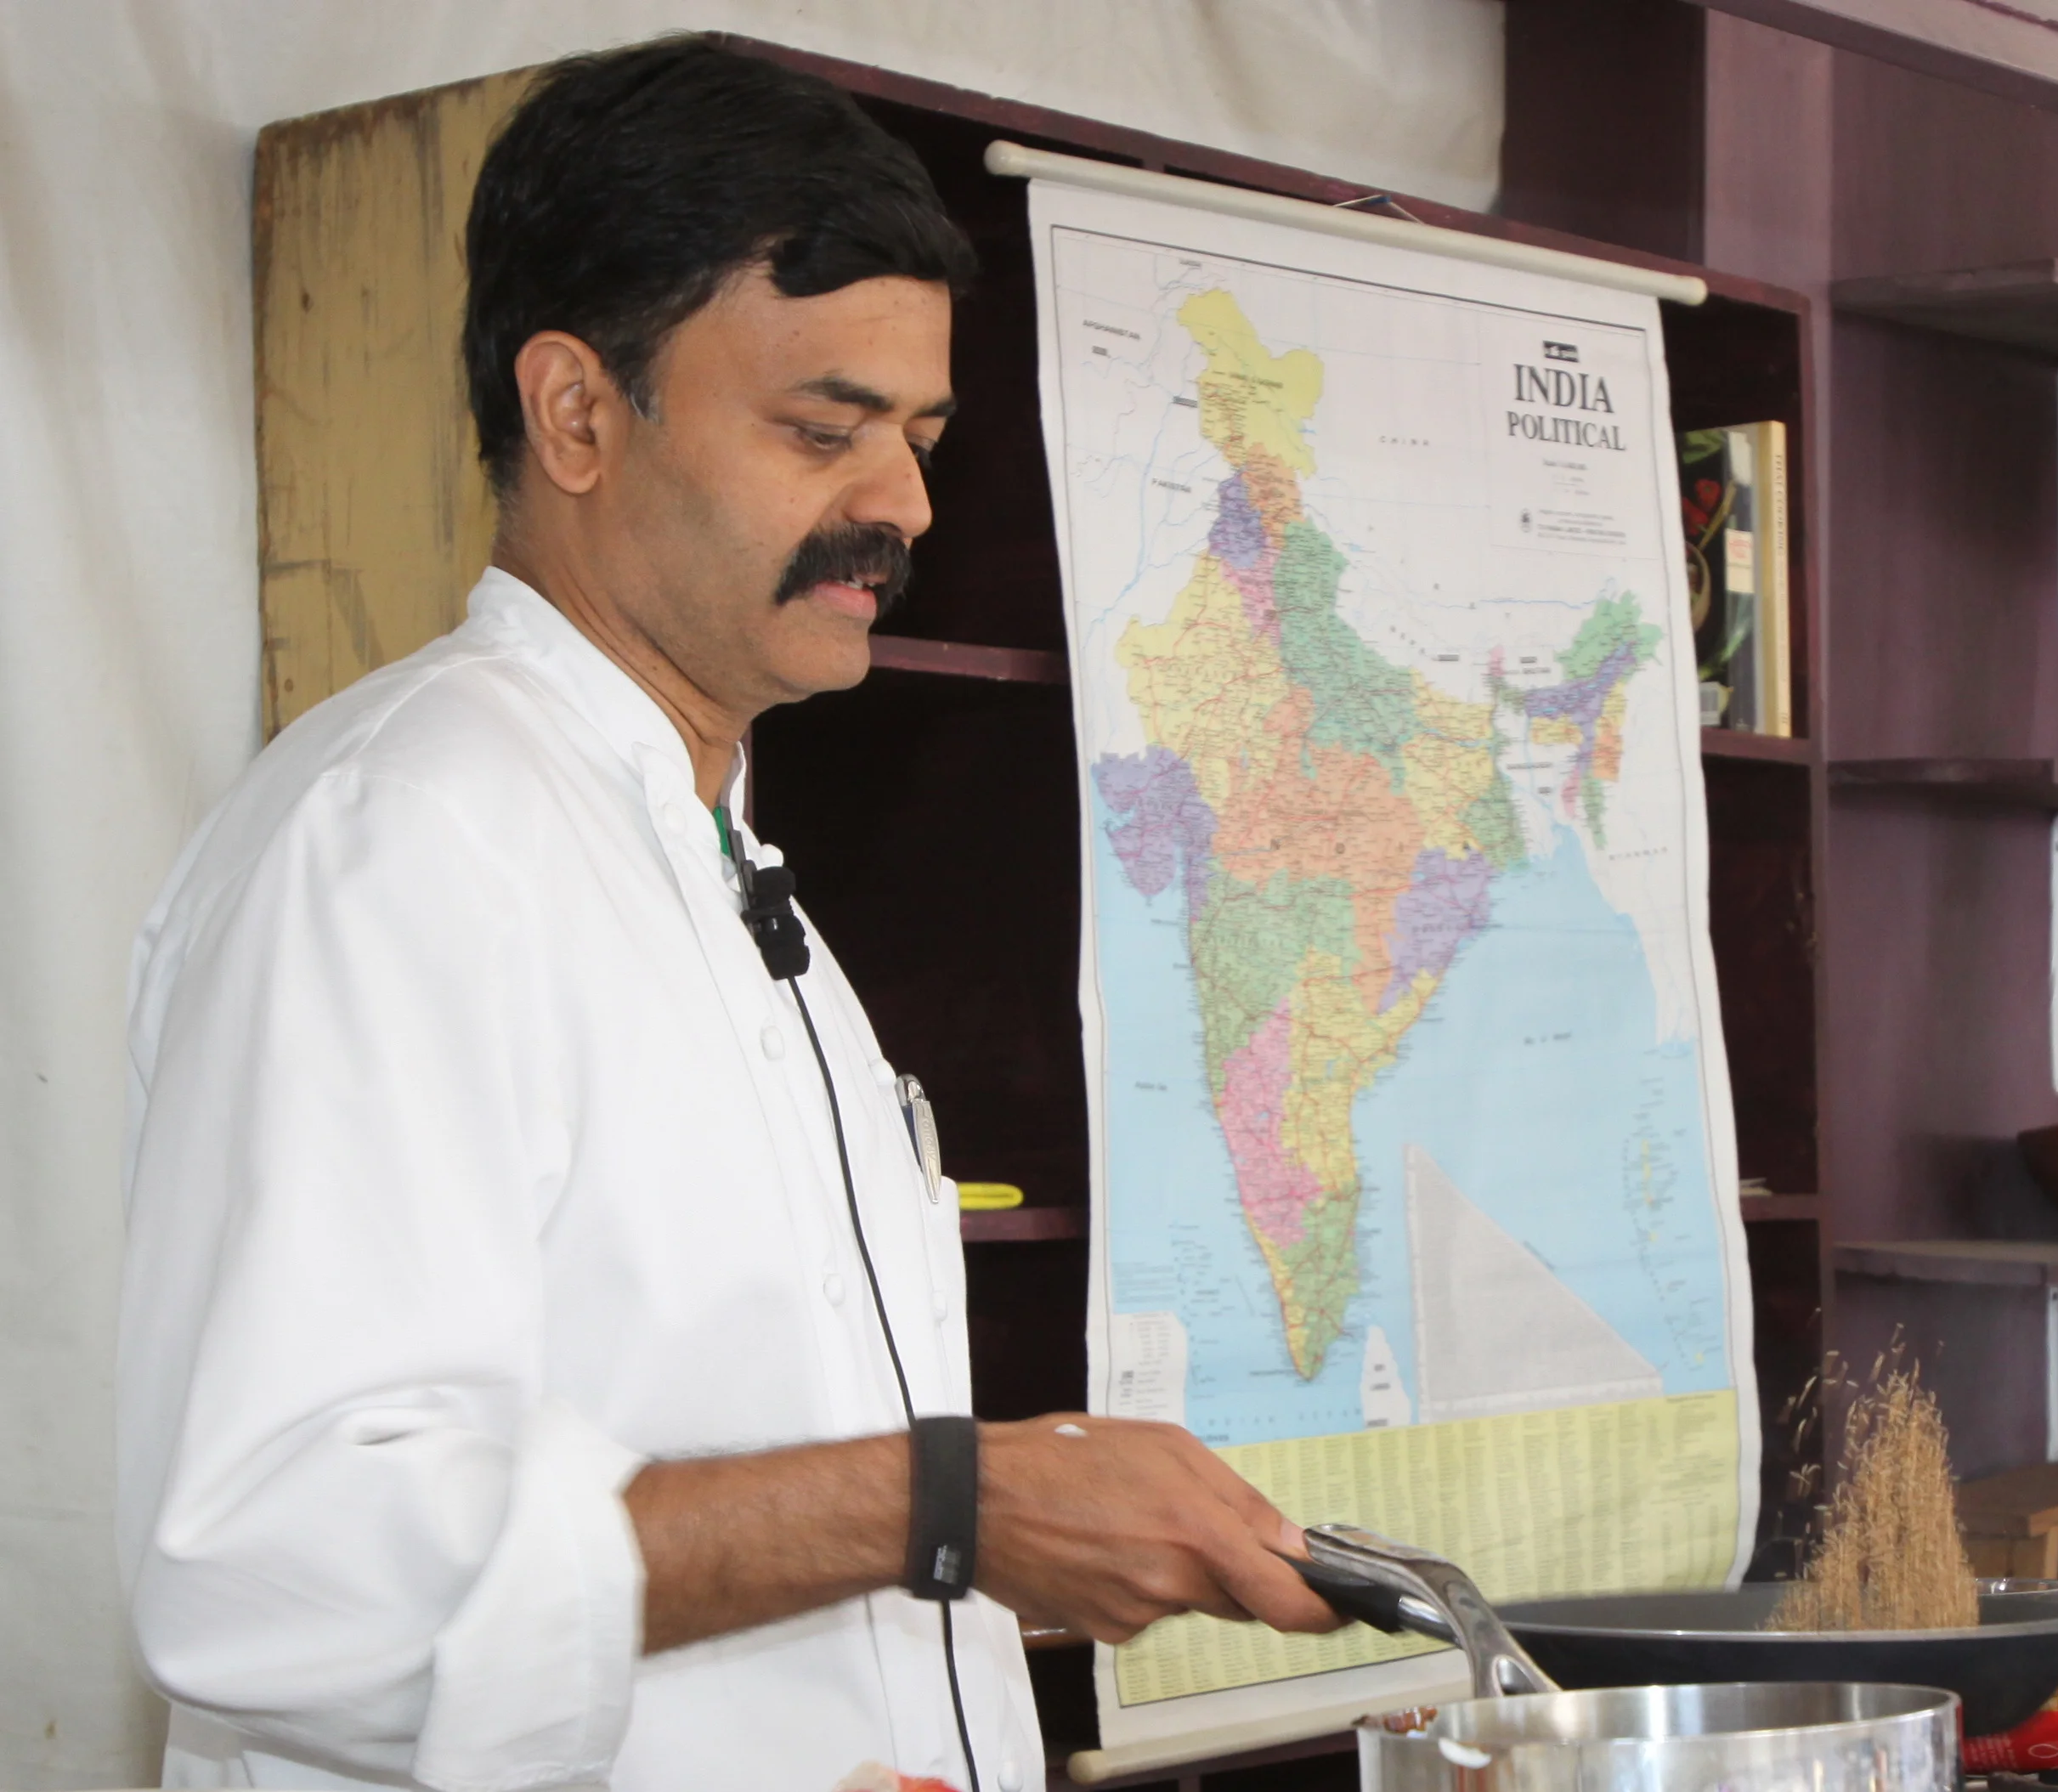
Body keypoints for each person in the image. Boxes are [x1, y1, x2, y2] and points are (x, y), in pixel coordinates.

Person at [117, 35, 1337, 1792]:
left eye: (918, 437)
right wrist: (947, 1502)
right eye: (822, 429)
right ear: (577, 414)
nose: (903, 506)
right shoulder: (399, 840)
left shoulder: (722, 866)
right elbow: (275, 1572)